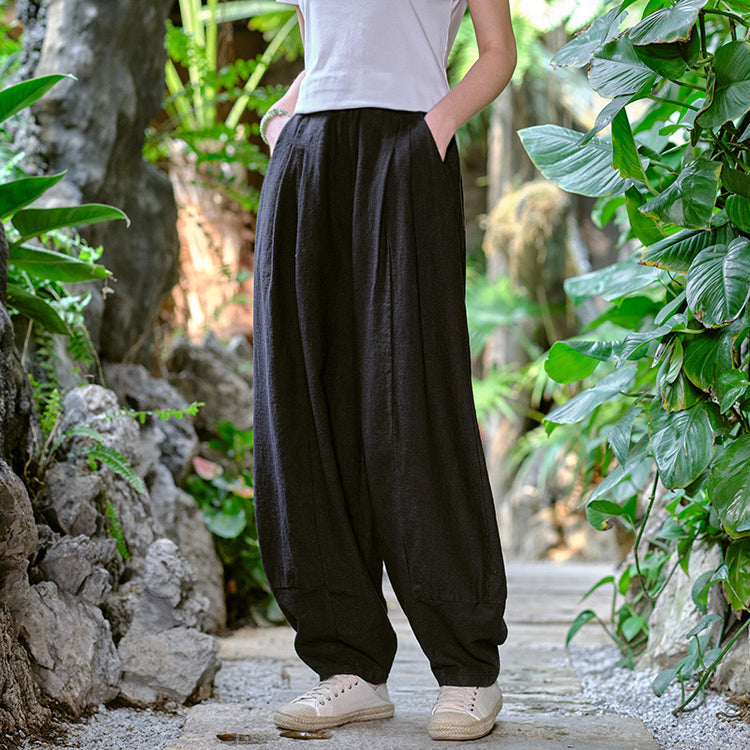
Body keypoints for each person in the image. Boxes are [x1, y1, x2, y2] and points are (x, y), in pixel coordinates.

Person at [253, 0, 517, 741]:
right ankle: (348, 667)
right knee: (306, 402)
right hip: (309, 157)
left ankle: (467, 670)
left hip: (408, 148)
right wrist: (283, 126)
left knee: (414, 398)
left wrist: (434, 128)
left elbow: (498, 52)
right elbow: (330, 51)